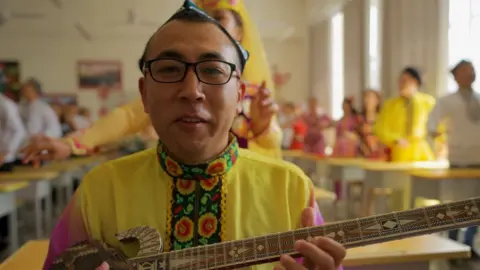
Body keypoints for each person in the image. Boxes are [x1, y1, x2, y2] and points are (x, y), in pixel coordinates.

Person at [43, 2, 345, 270]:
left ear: (240, 95)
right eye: (170, 69)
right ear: (144, 93)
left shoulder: (290, 190)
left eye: (213, 71)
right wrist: (70, 144)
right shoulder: (100, 192)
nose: (191, 91)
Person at [21, 0, 282, 163]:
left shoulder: (255, 94)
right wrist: (72, 143)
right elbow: (127, 116)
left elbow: (272, 143)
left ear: (239, 33)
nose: (193, 92)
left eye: (220, 21)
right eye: (206, 18)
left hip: (247, 192)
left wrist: (263, 128)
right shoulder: (173, 80)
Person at [427, 60, 479, 259]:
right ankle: (451, 243)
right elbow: (432, 124)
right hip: (459, 160)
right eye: (465, 71)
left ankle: (469, 243)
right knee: (457, 204)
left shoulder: (478, 99)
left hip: (478, 160)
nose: (469, 74)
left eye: (472, 70)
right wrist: (437, 141)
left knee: (476, 206)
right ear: (455, 76)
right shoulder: (447, 101)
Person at [374, 67, 436, 162]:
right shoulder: (390, 105)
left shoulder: (427, 102)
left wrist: (442, 145)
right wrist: (395, 139)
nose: (401, 84)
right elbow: (379, 128)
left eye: (405, 81)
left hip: (421, 150)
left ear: (415, 82)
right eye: (400, 81)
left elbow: (441, 126)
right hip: (400, 151)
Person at [0, 91, 26, 250]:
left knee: (3, 203)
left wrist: (6, 153)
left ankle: (4, 238)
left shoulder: (5, 104)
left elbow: (18, 131)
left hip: (3, 159)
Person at [357, 89, 385, 159]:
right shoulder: (359, 119)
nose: (368, 100)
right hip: (363, 156)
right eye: (366, 97)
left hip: (379, 155)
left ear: (377, 100)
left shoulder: (382, 118)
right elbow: (357, 137)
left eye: (371, 97)